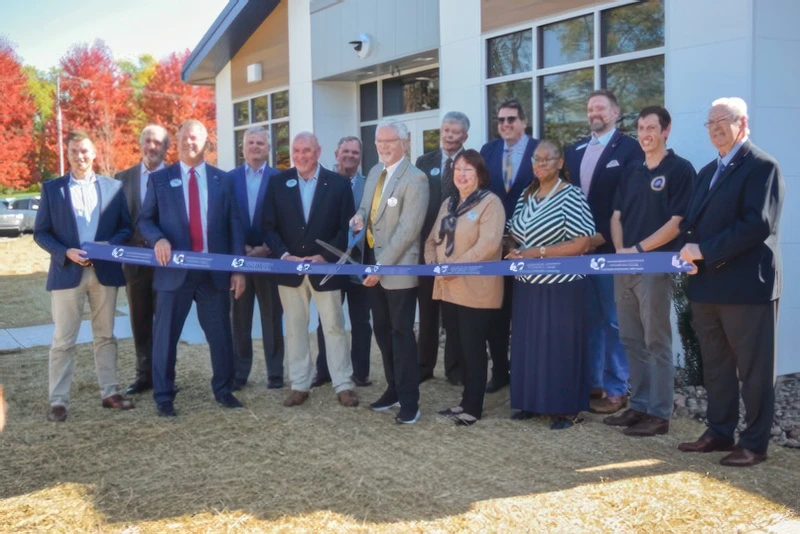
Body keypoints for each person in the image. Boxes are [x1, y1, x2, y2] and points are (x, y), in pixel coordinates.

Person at [678, 97, 784, 467]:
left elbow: (756, 225)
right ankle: (719, 432)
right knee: (717, 366)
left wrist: (703, 249)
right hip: (706, 286)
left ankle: (754, 444)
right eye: (711, 122)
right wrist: (686, 256)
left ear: (744, 123)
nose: (717, 127)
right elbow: (690, 224)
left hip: (745, 287)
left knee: (753, 371)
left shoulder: (761, 167)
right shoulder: (708, 171)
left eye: (725, 120)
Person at [138, 119, 246, 417]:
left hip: (214, 273)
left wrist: (238, 270)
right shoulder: (160, 179)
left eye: (195, 138)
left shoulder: (223, 180)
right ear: (178, 141)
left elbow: (234, 226)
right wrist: (158, 239)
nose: (190, 143)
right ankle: (163, 396)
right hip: (174, 273)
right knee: (165, 339)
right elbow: (145, 220)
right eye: (185, 138)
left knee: (221, 336)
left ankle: (223, 391)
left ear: (206, 142)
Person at [605, 106, 695, 436]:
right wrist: (620, 252)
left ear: (666, 130)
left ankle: (659, 414)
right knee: (630, 338)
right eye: (641, 127)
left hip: (655, 268)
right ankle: (639, 405)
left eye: (652, 128)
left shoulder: (680, 170)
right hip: (624, 266)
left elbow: (677, 224)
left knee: (656, 340)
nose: (645, 134)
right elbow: (616, 216)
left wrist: (639, 250)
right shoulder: (631, 171)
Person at [34, 130, 134, 422]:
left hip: (104, 272)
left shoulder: (114, 188)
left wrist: (108, 247)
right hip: (68, 272)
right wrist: (66, 252)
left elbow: (125, 229)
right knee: (64, 339)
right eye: (75, 151)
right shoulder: (53, 189)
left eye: (85, 151)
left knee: (105, 336)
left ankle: (110, 392)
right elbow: (41, 233)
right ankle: (59, 401)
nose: (80, 156)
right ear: (68, 154)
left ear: (94, 154)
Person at [261, 132, 359, 408]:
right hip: (289, 270)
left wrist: (325, 255)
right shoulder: (278, 182)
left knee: (335, 328)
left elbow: (346, 228)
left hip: (325, 269)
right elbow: (267, 226)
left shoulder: (338, 184)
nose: (301, 155)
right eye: (296, 150)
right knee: (294, 329)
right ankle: (300, 384)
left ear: (318, 152)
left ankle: (343, 384)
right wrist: (284, 254)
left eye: (307, 150)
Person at [505, 140, 595, 430]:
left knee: (560, 347)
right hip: (528, 283)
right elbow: (513, 232)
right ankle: (531, 402)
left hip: (562, 284)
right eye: (536, 159)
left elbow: (583, 242)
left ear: (559, 163)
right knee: (529, 345)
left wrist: (536, 252)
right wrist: (513, 249)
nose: (540, 164)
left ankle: (565, 409)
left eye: (547, 159)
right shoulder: (527, 194)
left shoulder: (571, 195)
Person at [565, 89, 644, 414]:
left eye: (600, 108)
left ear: (615, 113)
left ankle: (616, 388)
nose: (594, 113)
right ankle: (593, 382)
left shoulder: (630, 149)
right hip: (578, 252)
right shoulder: (574, 150)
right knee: (589, 320)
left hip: (612, 251)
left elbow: (631, 200)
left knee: (614, 321)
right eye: (590, 108)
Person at [351, 119, 429, 424]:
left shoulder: (416, 179)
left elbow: (409, 231)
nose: (383, 147)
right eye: (379, 142)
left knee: (401, 334)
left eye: (389, 142)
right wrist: (357, 219)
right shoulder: (374, 172)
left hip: (397, 270)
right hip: (372, 265)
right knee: (382, 332)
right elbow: (365, 209)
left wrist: (380, 268)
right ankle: (393, 389)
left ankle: (410, 401)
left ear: (405, 143)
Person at [425, 149, 505, 425]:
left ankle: (474, 406)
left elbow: (489, 245)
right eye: (457, 169)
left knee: (473, 347)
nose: (461, 174)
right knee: (458, 346)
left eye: (467, 170)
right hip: (447, 288)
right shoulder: (448, 203)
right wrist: (434, 264)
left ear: (480, 174)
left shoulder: (490, 203)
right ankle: (463, 402)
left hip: (476, 288)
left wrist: (453, 267)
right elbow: (433, 240)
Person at [480, 99, 538, 393]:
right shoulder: (488, 151)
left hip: (531, 245)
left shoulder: (539, 151)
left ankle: (526, 372)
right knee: (497, 312)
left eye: (511, 119)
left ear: (524, 122)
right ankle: (500, 371)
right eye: (501, 120)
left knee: (527, 312)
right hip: (494, 247)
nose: (505, 125)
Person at [313, 136, 373, 388]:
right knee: (327, 319)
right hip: (330, 263)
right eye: (345, 151)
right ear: (336, 154)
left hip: (359, 264)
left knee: (361, 321)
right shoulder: (322, 182)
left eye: (355, 152)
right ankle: (325, 371)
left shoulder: (369, 185)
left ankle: (360, 373)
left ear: (360, 156)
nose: (350, 156)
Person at [416, 111, 470, 385]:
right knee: (427, 311)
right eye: (446, 130)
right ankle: (424, 366)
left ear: (465, 136)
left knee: (453, 312)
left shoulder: (471, 162)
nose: (449, 135)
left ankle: (455, 369)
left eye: (455, 131)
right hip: (427, 247)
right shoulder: (423, 162)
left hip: (458, 247)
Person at [229, 126, 285, 391]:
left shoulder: (280, 179)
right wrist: (241, 249)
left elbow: (285, 220)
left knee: (272, 317)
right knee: (240, 318)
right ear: (243, 147)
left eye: (260, 143)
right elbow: (225, 221)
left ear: (268, 149)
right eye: (251, 142)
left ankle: (275, 373)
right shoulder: (229, 179)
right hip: (239, 261)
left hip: (269, 258)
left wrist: (266, 247)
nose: (255, 147)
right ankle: (240, 371)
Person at [115, 124, 169, 395]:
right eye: (148, 141)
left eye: (158, 142)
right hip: (134, 265)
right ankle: (143, 374)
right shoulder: (121, 179)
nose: (152, 147)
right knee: (140, 320)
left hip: (168, 264)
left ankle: (164, 375)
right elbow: (115, 221)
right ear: (140, 144)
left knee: (165, 321)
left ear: (166, 147)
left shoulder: (175, 177)